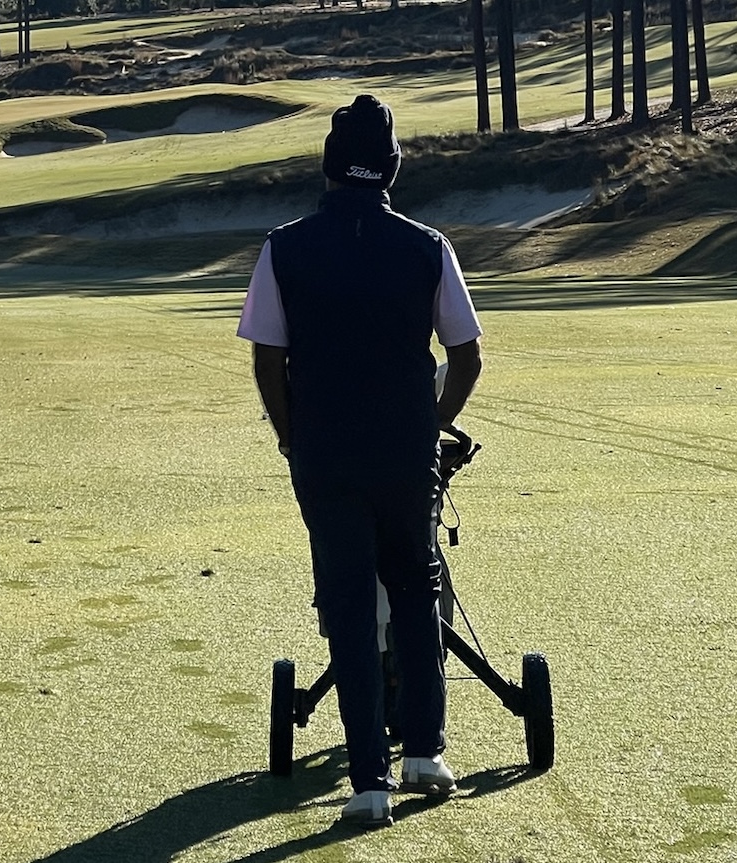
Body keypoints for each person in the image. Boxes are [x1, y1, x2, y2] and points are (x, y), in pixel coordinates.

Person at [237, 94, 483, 829]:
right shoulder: (425, 245)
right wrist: (431, 423)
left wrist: (290, 438)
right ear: (392, 168)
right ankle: (425, 753)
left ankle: (367, 779)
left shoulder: (284, 245)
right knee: (414, 588)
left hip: (325, 453)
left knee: (348, 604)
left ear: (327, 166)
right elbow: (465, 355)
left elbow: (267, 357)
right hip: (405, 454)